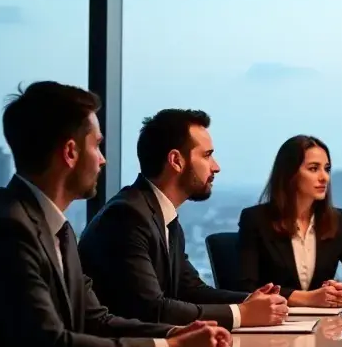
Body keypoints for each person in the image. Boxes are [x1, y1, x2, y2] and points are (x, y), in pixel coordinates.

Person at [0, 82, 229, 347]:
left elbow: (96, 320)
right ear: (70, 152)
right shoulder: (6, 232)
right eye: (97, 146)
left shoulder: (51, 227)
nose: (103, 160)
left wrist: (176, 334)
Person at [80, 109, 288, 331]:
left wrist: (249, 301)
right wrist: (242, 313)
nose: (215, 166)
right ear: (176, 161)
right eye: (207, 155)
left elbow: (189, 289)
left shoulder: (161, 216)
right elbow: (151, 309)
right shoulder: (127, 216)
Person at [237, 135, 342, 306]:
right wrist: (309, 298)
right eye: (314, 169)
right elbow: (245, 289)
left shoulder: (337, 220)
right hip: (273, 325)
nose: (325, 178)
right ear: (290, 174)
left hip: (323, 327)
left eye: (327, 169)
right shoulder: (256, 220)